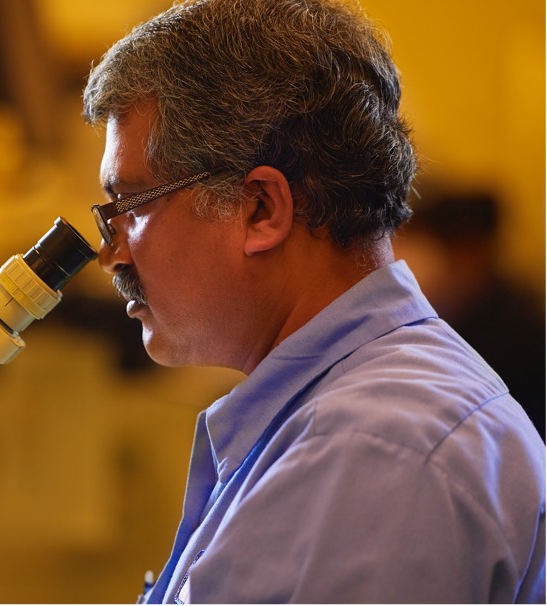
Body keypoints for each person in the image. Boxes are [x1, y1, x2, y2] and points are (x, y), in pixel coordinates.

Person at [82, 0, 546, 602]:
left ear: (261, 210)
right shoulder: (357, 419)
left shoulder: (369, 453)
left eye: (131, 205)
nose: (111, 254)